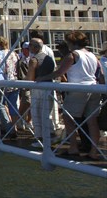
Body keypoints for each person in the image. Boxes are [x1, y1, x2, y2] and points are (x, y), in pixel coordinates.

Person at [36, 31, 102, 159]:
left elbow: (60, 72)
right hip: (94, 88)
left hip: (78, 89)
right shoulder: (92, 55)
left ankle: (73, 147)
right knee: (92, 121)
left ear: (72, 43)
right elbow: (100, 74)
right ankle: (94, 151)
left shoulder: (73, 55)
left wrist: (42, 77)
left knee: (68, 118)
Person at [27, 38, 57, 147]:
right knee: (47, 113)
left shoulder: (34, 60)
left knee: (36, 113)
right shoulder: (48, 58)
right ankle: (51, 134)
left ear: (35, 47)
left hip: (38, 88)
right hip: (49, 86)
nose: (29, 47)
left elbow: (30, 78)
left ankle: (40, 138)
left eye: (30, 45)